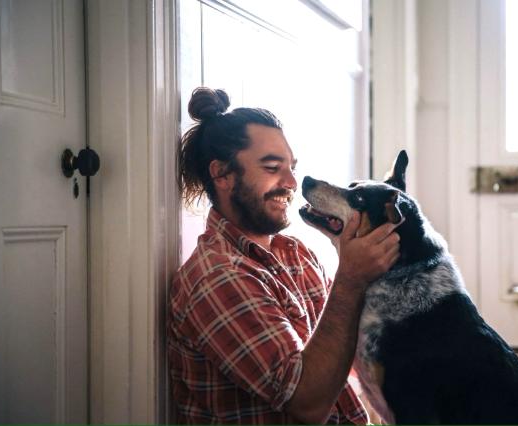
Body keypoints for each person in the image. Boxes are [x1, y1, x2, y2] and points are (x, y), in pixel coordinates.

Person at [168, 87, 400, 424]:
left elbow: (349, 356)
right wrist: (351, 279)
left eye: (291, 166)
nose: (292, 181)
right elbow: (306, 404)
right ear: (222, 174)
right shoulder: (217, 277)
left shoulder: (295, 253)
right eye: (272, 167)